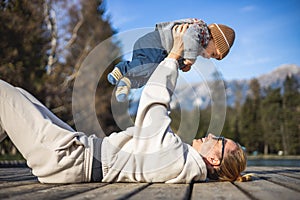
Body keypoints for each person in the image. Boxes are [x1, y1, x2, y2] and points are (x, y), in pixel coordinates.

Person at [0, 24, 247, 184]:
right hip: (76, 153)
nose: (214, 134)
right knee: (15, 95)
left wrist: (173, 55)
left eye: (222, 141)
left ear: (215, 159)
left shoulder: (178, 160)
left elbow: (152, 104)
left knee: (3, 94)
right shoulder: (183, 162)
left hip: (68, 158)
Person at [107, 18, 235, 102]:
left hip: (158, 51)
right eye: (212, 54)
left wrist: (182, 64)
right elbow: (190, 36)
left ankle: (126, 83)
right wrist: (190, 59)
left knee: (147, 76)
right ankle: (123, 68)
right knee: (147, 67)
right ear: (214, 39)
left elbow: (178, 52)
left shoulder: (197, 45)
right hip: (156, 43)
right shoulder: (201, 31)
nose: (208, 57)